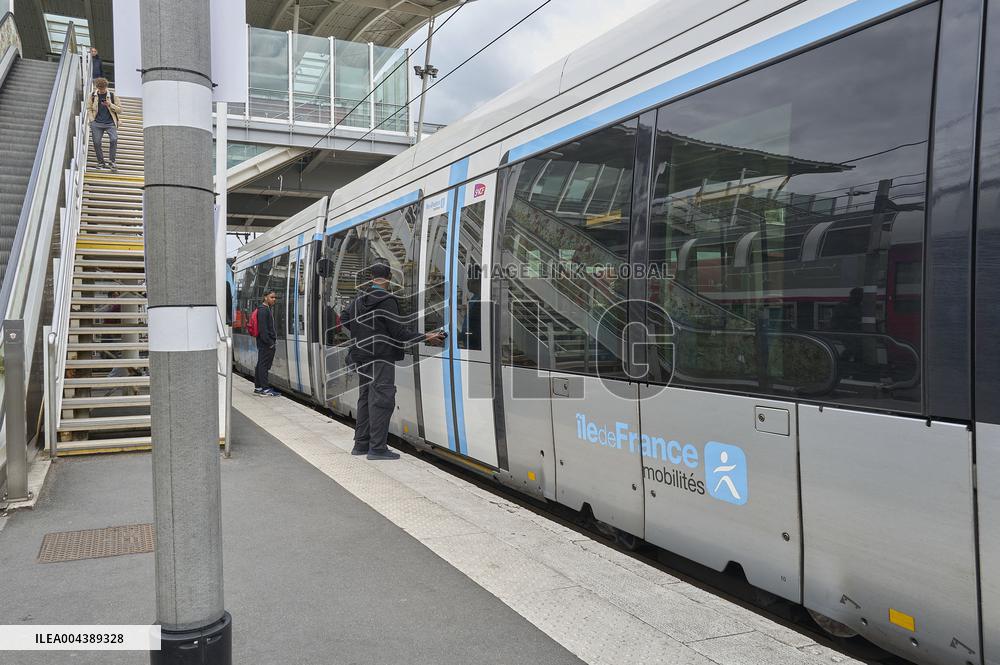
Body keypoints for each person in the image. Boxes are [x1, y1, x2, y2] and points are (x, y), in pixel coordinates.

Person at [344, 263, 444, 460]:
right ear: (388, 277)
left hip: (362, 356)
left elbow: (344, 318)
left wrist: (363, 333)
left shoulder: (358, 300)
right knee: (382, 400)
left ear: (371, 277)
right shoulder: (387, 300)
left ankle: (360, 444)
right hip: (381, 357)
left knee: (365, 398)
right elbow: (398, 332)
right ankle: (377, 449)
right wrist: (426, 337)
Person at [87, 77, 121, 171]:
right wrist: (92, 120)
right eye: (99, 89)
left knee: (114, 139)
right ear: (97, 87)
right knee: (96, 142)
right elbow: (89, 108)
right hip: (97, 123)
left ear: (106, 87)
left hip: (110, 123)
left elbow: (120, 110)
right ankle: (101, 162)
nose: (101, 91)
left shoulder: (113, 96)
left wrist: (110, 105)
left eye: (103, 89)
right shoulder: (92, 96)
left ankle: (112, 161)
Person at [254, 290, 279, 397]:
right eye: (271, 297)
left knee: (260, 364)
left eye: (274, 297)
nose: (274, 299)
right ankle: (265, 389)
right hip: (265, 343)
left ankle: (258, 387)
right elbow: (263, 330)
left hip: (264, 342)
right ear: (265, 297)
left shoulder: (265, 309)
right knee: (264, 366)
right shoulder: (264, 311)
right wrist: (270, 343)